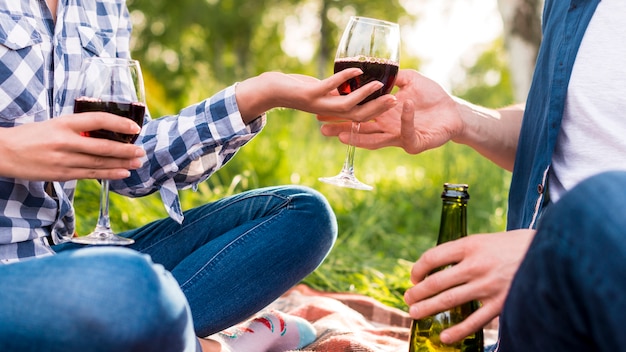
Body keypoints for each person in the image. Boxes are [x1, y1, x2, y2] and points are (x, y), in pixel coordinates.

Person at [0, 1, 399, 351]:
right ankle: (217, 347)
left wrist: (259, 94)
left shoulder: (101, 5)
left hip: (59, 256)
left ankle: (142, 332)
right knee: (125, 286)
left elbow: (128, 164)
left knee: (305, 214)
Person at [319, 0, 626, 350]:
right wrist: (461, 117)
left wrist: (554, 250)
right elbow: (564, 138)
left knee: (598, 198)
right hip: (544, 309)